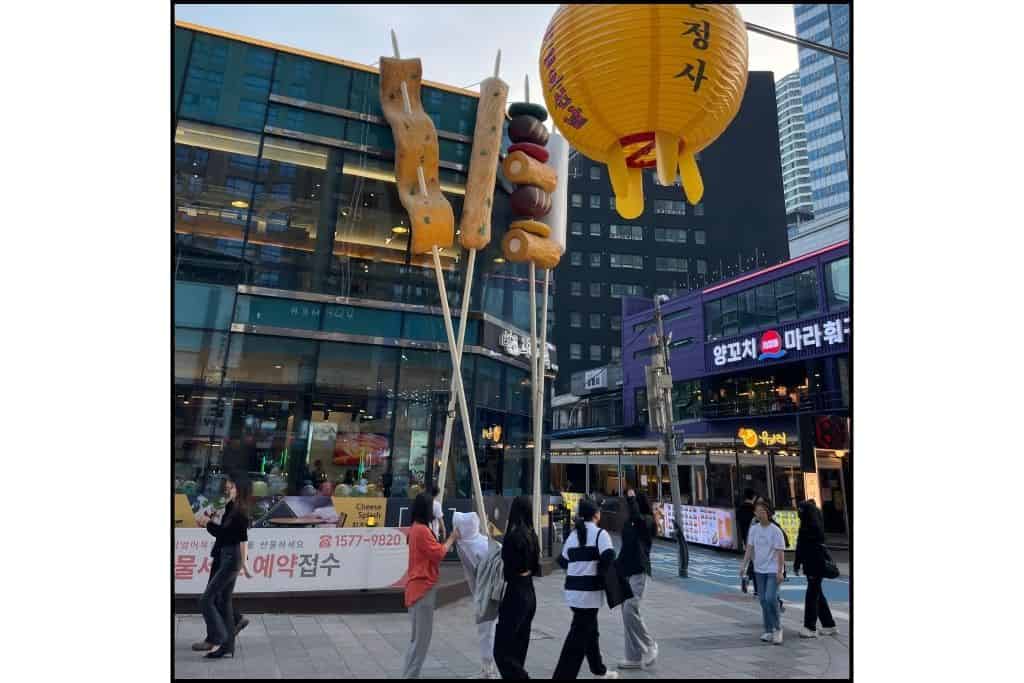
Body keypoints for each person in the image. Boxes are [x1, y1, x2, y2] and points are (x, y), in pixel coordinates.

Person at [553, 496, 620, 680]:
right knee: (577, 641)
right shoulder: (600, 534)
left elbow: (562, 561)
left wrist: (580, 566)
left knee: (590, 631)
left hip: (573, 594)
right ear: (596, 515)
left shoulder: (573, 536)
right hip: (589, 595)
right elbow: (609, 558)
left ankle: (599, 670)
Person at [402, 492, 459, 678]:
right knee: (421, 643)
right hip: (422, 589)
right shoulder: (422, 530)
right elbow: (439, 553)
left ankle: (408, 675)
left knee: (415, 641)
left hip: (416, 588)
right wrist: (452, 537)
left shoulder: (415, 528)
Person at [197, 473, 253, 659]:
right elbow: (228, 535)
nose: (228, 489)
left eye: (232, 486)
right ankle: (227, 645)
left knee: (207, 599)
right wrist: (211, 523)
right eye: (228, 486)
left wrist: (208, 524)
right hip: (227, 556)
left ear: (240, 490)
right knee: (223, 602)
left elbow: (233, 537)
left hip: (230, 559)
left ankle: (220, 637)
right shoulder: (231, 507)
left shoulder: (239, 511)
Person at [493, 495, 541, 679]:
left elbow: (508, 570)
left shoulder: (513, 537)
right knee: (520, 648)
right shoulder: (533, 535)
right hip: (530, 593)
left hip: (515, 593)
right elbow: (537, 567)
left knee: (502, 651)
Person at [453, 511, 499, 679]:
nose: (454, 530)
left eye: (456, 527)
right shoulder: (469, 542)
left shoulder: (474, 545)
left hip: (489, 594)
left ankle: (489, 671)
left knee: (486, 631)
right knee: (487, 631)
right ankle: (488, 669)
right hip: (486, 593)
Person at [616, 490, 658, 670]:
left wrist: (631, 499)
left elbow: (639, 520)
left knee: (629, 609)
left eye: (630, 503)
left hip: (638, 572)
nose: (627, 506)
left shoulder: (647, 521)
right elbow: (625, 547)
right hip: (626, 571)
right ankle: (633, 657)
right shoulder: (630, 523)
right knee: (626, 615)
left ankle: (650, 644)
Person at [740, 499, 786, 645]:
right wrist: (744, 565)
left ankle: (778, 629)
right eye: (757, 512)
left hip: (773, 569)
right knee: (763, 600)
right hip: (759, 570)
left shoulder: (775, 530)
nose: (760, 514)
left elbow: (780, 552)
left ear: (769, 513)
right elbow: (749, 549)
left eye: (763, 511)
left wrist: (780, 572)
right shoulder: (754, 529)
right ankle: (768, 630)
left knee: (770, 598)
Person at [794, 500, 839, 638]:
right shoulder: (817, 525)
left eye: (800, 511)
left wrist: (797, 563)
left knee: (812, 595)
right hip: (815, 563)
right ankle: (828, 624)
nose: (799, 514)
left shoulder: (807, 528)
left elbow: (800, 547)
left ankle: (810, 627)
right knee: (817, 593)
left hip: (813, 564)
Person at [736, 489, 757, 595]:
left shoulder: (740, 509)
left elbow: (738, 523)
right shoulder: (754, 510)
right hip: (756, 538)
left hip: (745, 537)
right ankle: (749, 578)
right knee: (755, 560)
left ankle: (748, 578)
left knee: (752, 559)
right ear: (753, 497)